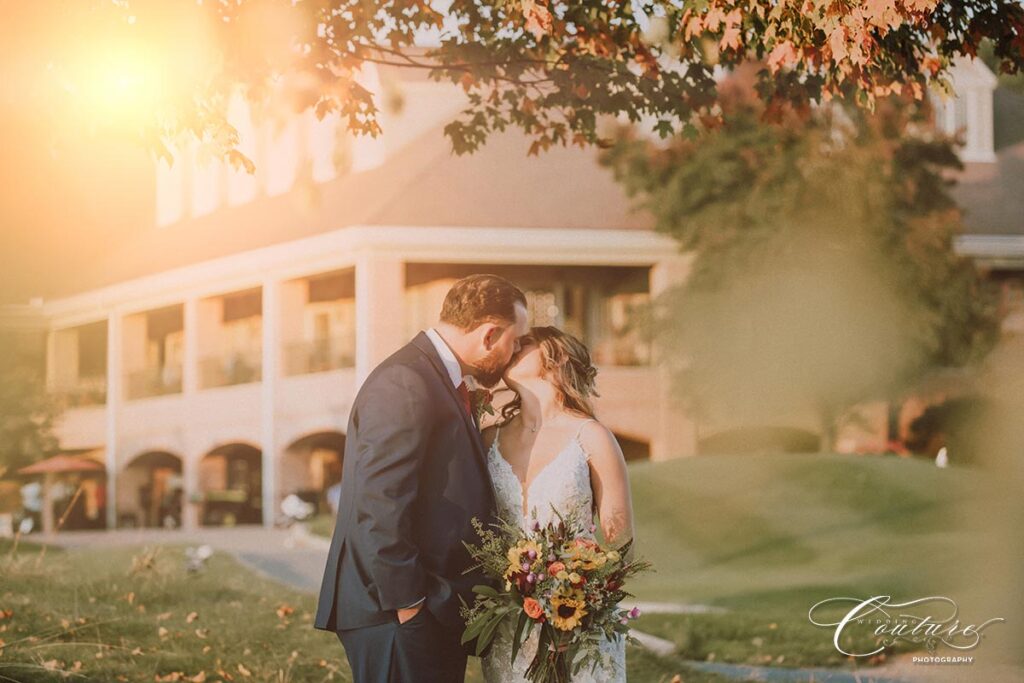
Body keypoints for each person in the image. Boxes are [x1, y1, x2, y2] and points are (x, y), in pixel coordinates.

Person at [314, 274, 531, 683]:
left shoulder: (430, 376)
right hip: (398, 612)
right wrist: (410, 603)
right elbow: (379, 503)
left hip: (421, 608)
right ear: (489, 334)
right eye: (514, 341)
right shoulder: (407, 382)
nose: (514, 352)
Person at [481, 326, 635, 683]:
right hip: (509, 628)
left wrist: (579, 608)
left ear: (557, 356)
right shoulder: (488, 438)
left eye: (526, 343)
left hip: (579, 627)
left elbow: (620, 543)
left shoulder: (591, 437)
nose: (514, 346)